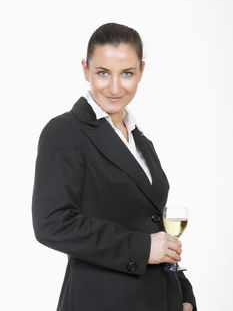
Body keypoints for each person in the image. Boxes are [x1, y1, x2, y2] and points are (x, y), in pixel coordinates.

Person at [32, 22, 197, 311]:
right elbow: (52, 223)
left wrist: (183, 292)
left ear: (141, 72)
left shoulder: (140, 141)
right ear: (86, 69)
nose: (115, 87)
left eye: (127, 74)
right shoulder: (65, 131)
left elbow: (153, 223)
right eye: (103, 73)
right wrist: (143, 248)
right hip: (101, 300)